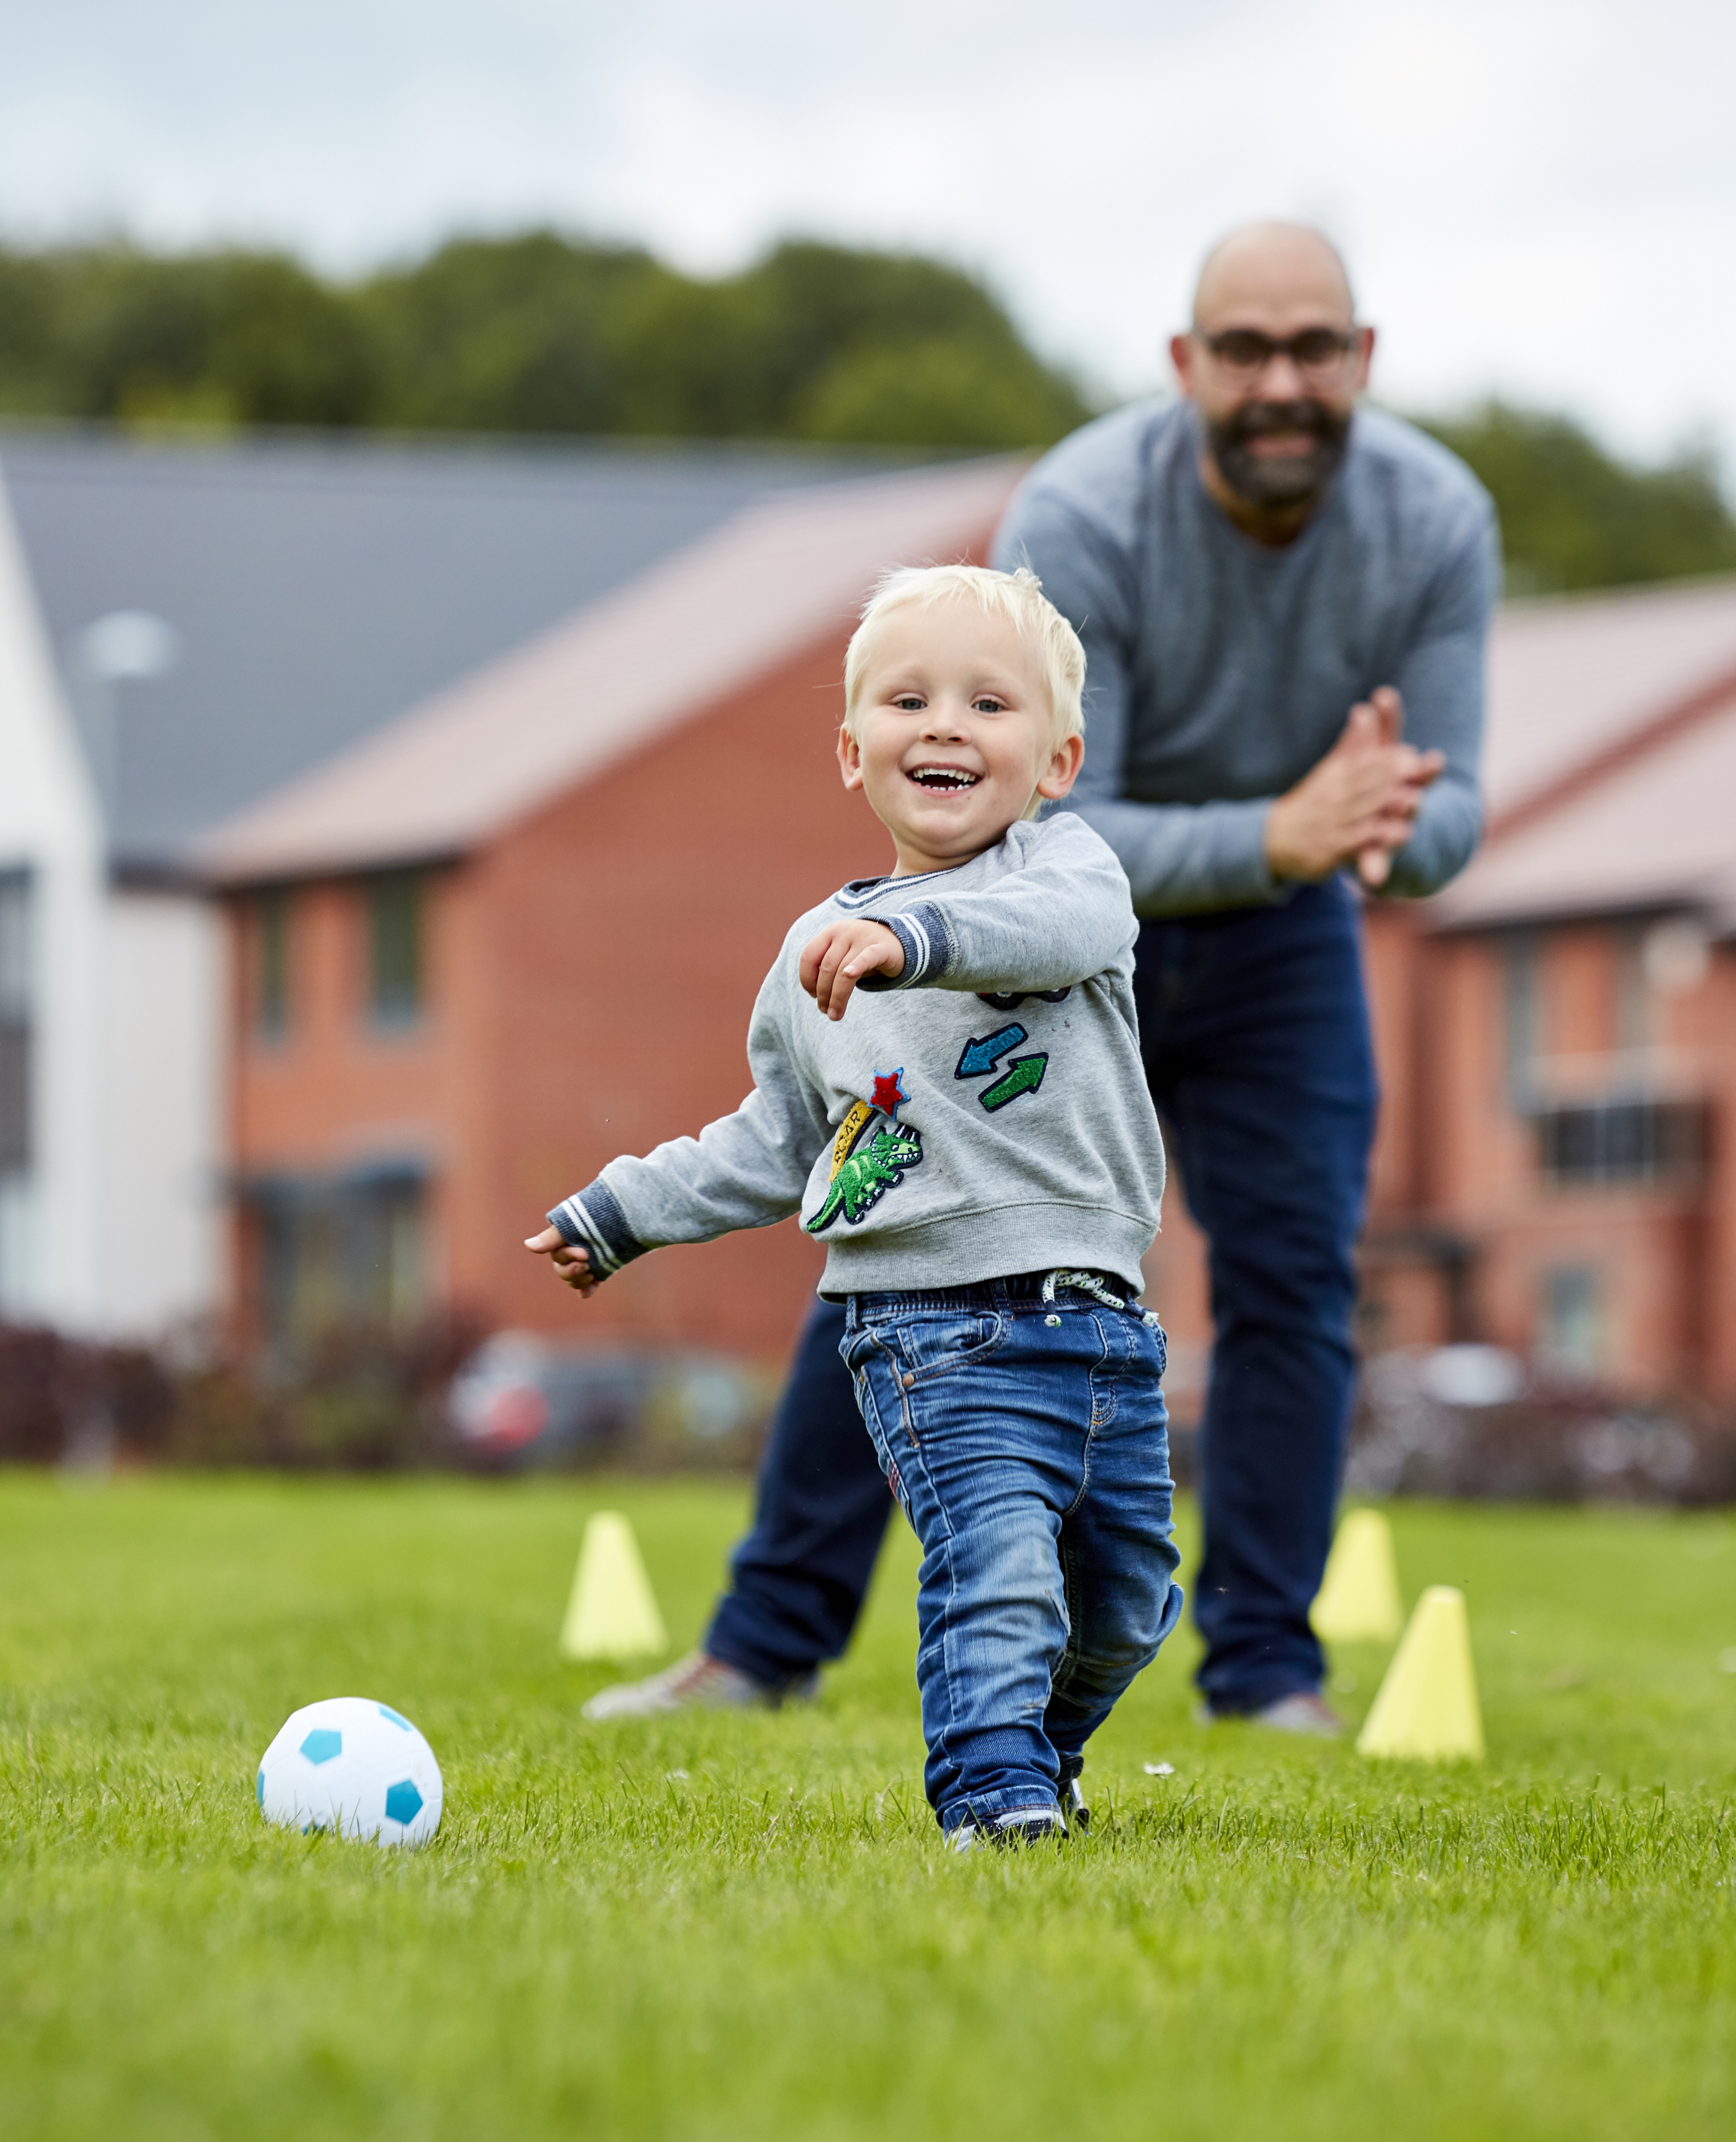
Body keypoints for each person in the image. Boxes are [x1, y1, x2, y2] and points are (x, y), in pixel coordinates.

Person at [587, 221, 1492, 1735]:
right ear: (1185, 366)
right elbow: (1062, 832)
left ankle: (1267, 1674)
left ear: (1363, 362)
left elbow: (1456, 802)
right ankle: (761, 1645)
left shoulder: (1438, 519)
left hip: (1282, 945)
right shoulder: (1083, 511)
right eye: (1247, 350)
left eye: (1314, 350)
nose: (1282, 382)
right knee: (897, 1225)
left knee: (1295, 1285)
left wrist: (1393, 832)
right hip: (1029, 927)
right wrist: (1283, 828)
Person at [528, 564, 1178, 1846]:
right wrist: (624, 1208)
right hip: (925, 1335)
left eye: (988, 704)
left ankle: (1040, 1751)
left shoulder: (1071, 875)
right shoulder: (813, 952)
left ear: (1055, 759)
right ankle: (991, 1799)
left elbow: (1044, 931)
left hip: (1102, 1328)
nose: (943, 724)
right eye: (907, 699)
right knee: (998, 1571)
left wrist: (914, 938)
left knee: (1124, 1605)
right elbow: (773, 1138)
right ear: (850, 749)